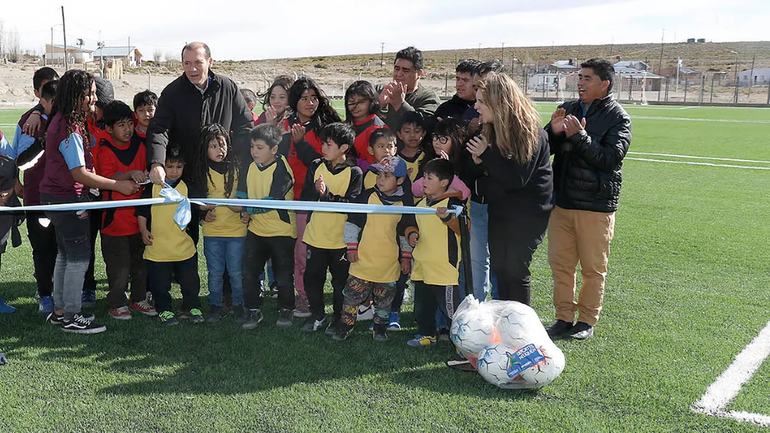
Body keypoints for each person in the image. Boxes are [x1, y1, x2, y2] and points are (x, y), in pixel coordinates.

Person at [39, 69, 140, 334]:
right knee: (78, 258)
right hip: (67, 199)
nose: (94, 99)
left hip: (57, 198)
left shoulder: (62, 120)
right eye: (90, 94)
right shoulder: (68, 127)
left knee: (65, 254)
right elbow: (79, 173)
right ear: (76, 96)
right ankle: (71, 315)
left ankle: (61, 311)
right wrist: (119, 186)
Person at [543, 58, 632, 341]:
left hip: (595, 206)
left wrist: (580, 137)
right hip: (562, 201)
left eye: (587, 78)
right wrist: (552, 133)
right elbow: (544, 148)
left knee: (593, 268)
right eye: (579, 77)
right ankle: (563, 317)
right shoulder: (568, 108)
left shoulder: (619, 117)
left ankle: (586, 321)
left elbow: (610, 159)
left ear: (605, 84)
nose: (580, 82)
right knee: (561, 264)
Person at [466, 72, 553, 306]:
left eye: (482, 101)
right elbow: (488, 174)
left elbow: (517, 178)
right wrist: (478, 163)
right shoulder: (491, 128)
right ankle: (503, 328)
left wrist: (486, 155)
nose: (476, 106)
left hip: (528, 213)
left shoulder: (530, 132)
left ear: (499, 102)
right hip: (502, 208)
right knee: (500, 269)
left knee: (515, 271)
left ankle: (520, 331)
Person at [147, 42, 253, 190]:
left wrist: (233, 156)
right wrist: (156, 163)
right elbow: (159, 129)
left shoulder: (227, 87)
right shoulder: (171, 93)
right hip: (187, 177)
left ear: (210, 62)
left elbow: (245, 125)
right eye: (187, 63)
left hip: (223, 176)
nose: (192, 69)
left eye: (198, 62)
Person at [278, 76, 341, 317]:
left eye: (314, 98)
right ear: (295, 101)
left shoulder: (327, 125)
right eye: (304, 98)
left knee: (308, 252)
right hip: (287, 199)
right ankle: (295, 295)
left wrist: (301, 143)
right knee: (291, 252)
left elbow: (322, 162)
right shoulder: (284, 125)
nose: (310, 103)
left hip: (315, 199)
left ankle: (310, 297)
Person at [291, 122, 362, 335]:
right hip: (315, 237)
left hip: (341, 240)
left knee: (340, 283)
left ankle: (338, 319)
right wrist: (316, 192)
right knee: (312, 279)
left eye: (329, 144)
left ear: (344, 148)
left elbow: (354, 206)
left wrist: (327, 194)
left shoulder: (354, 172)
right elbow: (306, 199)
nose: (324, 148)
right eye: (323, 143)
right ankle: (318, 316)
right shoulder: (316, 166)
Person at [336, 156, 415, 341]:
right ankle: (345, 326)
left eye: (387, 175)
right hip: (362, 260)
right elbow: (353, 222)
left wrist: (406, 257)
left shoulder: (404, 204)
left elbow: (405, 233)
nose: (380, 179)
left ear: (400, 180)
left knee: (384, 301)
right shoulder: (367, 196)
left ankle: (380, 328)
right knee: (351, 297)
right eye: (379, 174)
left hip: (388, 264)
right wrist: (351, 247)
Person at [97, 100, 155, 320]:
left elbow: (146, 173)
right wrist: (130, 173)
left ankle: (139, 299)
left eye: (129, 124)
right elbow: (106, 178)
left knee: (140, 264)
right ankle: (117, 303)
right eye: (121, 125)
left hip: (138, 221)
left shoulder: (140, 146)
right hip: (114, 223)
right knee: (118, 268)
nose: (127, 129)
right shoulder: (105, 149)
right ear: (109, 128)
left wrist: (145, 175)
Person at [237, 124, 297, 329]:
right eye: (253, 146)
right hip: (256, 230)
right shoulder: (249, 165)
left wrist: (248, 211)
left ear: (274, 149)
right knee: (249, 272)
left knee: (283, 275)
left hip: (282, 231)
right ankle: (253, 310)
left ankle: (287, 309)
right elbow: (242, 193)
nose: (254, 151)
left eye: (260, 147)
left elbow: (272, 200)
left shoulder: (283, 168)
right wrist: (243, 208)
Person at [137, 145, 203, 325]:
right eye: (170, 167)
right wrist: (143, 230)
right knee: (160, 285)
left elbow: (201, 204)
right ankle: (164, 310)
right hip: (158, 249)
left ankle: (192, 306)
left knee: (190, 281)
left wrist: (209, 207)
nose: (174, 171)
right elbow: (142, 212)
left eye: (178, 167)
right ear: (161, 167)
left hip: (184, 248)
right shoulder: (151, 188)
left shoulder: (188, 187)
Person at [12, 68, 58, 313]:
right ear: (38, 94)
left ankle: (66, 292)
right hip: (37, 196)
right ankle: (45, 295)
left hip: (64, 196)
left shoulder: (68, 117)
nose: (54, 91)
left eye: (57, 85)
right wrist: (17, 182)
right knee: (42, 248)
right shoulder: (28, 122)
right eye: (47, 88)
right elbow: (18, 159)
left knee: (64, 247)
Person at [193, 124, 248, 323]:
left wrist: (245, 210)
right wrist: (201, 213)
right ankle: (215, 306)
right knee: (215, 273)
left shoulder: (238, 167)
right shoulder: (201, 171)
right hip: (212, 232)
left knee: (235, 272)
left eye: (222, 144)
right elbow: (194, 201)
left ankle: (238, 305)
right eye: (213, 146)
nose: (220, 150)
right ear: (204, 148)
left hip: (237, 231)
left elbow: (246, 196)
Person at [406, 158, 464, 347]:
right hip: (422, 265)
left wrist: (448, 217)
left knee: (451, 309)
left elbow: (466, 227)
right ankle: (426, 335)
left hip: (444, 268)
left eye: (429, 178)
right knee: (422, 307)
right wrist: (412, 233)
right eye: (423, 177)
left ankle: (463, 342)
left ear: (444, 182)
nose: (424, 182)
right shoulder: (421, 203)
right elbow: (411, 224)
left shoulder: (454, 202)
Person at [380, 46, 440, 133]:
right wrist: (381, 106)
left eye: (406, 70)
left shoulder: (428, 98)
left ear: (419, 73)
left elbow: (424, 125)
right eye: (396, 69)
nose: (399, 74)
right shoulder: (382, 91)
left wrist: (400, 105)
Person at [344, 80, 386, 171]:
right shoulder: (343, 126)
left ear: (372, 103)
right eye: (351, 101)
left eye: (361, 102)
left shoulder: (379, 129)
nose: (355, 106)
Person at [462, 60, 504, 135]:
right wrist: (468, 131)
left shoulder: (522, 125)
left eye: (484, 87)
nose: (479, 92)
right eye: (476, 88)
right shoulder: (470, 113)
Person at [396, 111, 426, 183]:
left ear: (424, 133)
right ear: (399, 134)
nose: (412, 135)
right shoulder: (394, 160)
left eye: (417, 131)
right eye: (407, 131)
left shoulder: (428, 157)